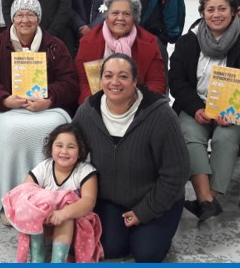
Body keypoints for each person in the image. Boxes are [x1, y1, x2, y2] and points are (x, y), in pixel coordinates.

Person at [0, 0, 79, 224]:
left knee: (55, 127)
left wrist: (49, 99)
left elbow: (70, 83)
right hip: (7, 109)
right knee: (9, 130)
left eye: (31, 15)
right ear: (12, 18)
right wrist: (4, 99)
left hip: (45, 108)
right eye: (19, 15)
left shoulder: (55, 46)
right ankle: (9, 200)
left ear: (38, 18)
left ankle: (51, 199)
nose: (25, 20)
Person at [72, 53, 189, 262]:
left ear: (135, 81)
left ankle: (156, 230)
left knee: (146, 254)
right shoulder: (87, 111)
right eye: (108, 76)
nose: (114, 82)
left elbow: (176, 174)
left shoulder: (160, 115)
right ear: (101, 80)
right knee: (110, 247)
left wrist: (143, 212)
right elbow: (71, 155)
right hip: (110, 200)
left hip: (154, 199)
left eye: (123, 76)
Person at [169, 0, 240, 222]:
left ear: (233, 11)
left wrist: (233, 112)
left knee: (225, 137)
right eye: (210, 9)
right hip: (196, 106)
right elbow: (177, 81)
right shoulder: (188, 41)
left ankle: (208, 198)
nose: (216, 14)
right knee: (189, 135)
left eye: (222, 8)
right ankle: (207, 200)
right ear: (202, 12)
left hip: (235, 111)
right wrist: (195, 108)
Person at [2, 123, 101, 263]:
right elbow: (25, 191)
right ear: (51, 147)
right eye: (59, 145)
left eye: (71, 147)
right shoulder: (45, 167)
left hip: (75, 221)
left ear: (80, 151)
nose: (64, 151)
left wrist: (62, 214)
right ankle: (38, 256)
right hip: (46, 220)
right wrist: (40, 209)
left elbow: (88, 202)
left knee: (67, 214)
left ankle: (58, 260)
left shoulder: (85, 171)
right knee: (33, 205)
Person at [75, 0, 166, 104]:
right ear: (106, 16)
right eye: (115, 13)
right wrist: (99, 105)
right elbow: (82, 82)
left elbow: (156, 82)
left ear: (134, 17)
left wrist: (136, 104)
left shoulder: (149, 42)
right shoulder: (88, 42)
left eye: (126, 14)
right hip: (97, 105)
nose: (120, 18)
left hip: (139, 105)